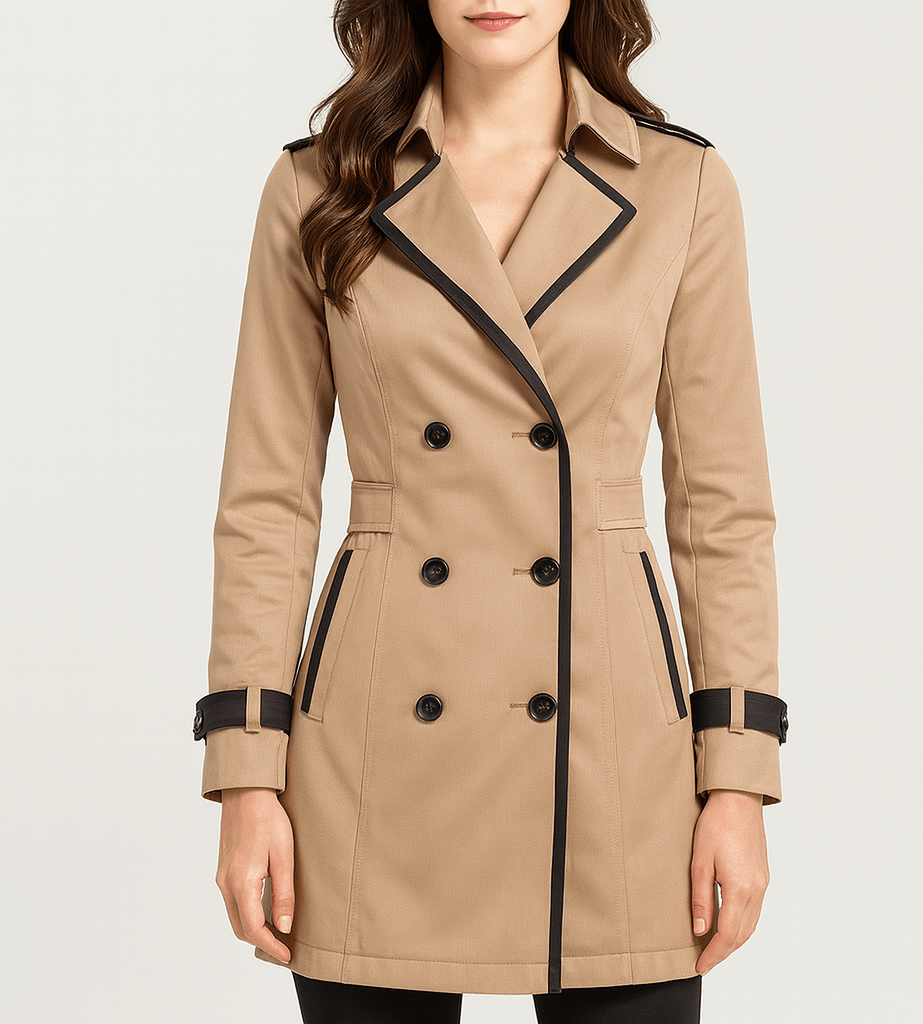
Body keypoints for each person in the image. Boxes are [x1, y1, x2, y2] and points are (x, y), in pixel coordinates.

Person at [192, 2, 789, 1022]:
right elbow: (267, 503)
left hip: (611, 753)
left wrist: (737, 778)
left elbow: (721, 512)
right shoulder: (320, 186)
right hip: (376, 758)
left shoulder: (681, 186)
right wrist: (247, 774)